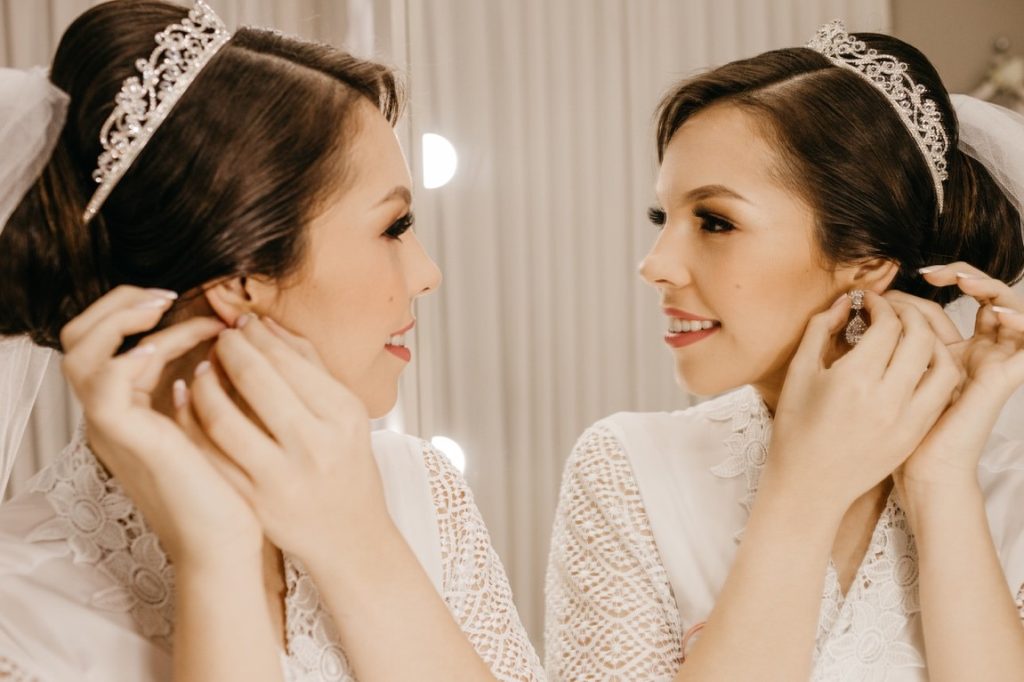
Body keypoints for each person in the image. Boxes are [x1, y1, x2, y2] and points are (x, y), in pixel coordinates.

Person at [0, 2, 542, 680]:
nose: (428, 274)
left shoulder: (418, 487)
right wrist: (215, 555)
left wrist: (360, 545)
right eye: (394, 227)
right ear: (241, 280)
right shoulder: (16, 617)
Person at [545, 21, 1024, 682]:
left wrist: (940, 480)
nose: (655, 266)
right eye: (664, 220)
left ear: (866, 262)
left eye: (715, 221)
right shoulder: (627, 469)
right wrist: (800, 493)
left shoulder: (1009, 484)